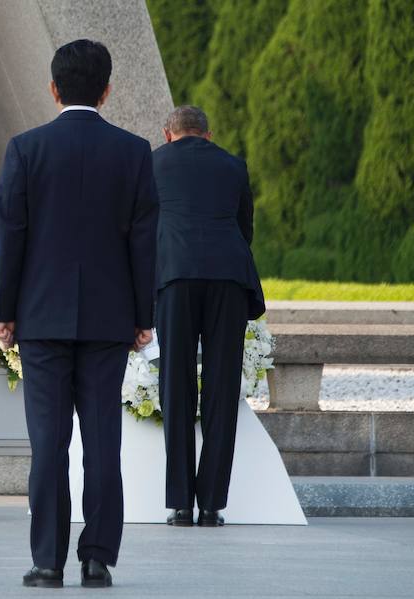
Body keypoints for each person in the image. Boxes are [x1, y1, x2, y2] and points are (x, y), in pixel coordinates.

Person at [0, 39, 158, 588]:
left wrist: (4, 311)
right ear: (107, 91)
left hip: (40, 320)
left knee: (48, 442)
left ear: (53, 88)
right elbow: (143, 242)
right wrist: (142, 315)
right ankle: (98, 557)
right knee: (103, 440)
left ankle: (46, 560)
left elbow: (11, 237)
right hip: (110, 321)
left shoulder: (25, 149)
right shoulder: (133, 153)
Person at [152, 105, 265, 528]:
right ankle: (212, 504)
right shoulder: (233, 166)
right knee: (221, 385)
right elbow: (244, 226)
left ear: (168, 133)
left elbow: (142, 227)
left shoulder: (152, 163)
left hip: (175, 276)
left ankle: (180, 503)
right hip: (228, 278)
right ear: (208, 134)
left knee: (176, 384)